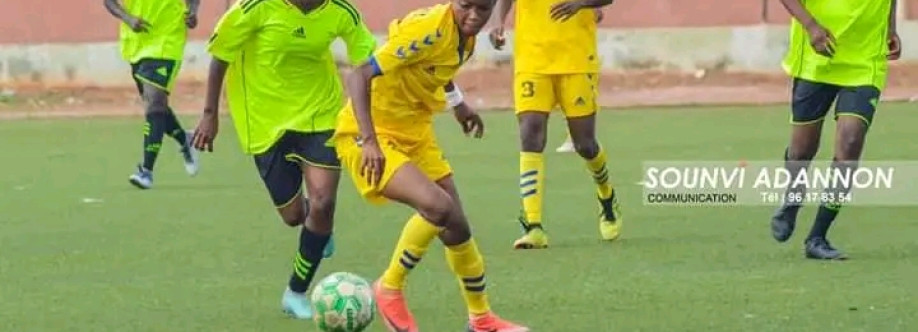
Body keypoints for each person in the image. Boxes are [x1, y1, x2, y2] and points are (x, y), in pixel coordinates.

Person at [332, 1, 529, 331]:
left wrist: (458, 104)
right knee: (438, 207)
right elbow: (359, 75)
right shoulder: (426, 29)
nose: (473, 16)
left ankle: (482, 321)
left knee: (458, 228)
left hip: (415, 130)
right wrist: (369, 141)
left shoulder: (463, 36)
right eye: (466, 6)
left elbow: (436, 68)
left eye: (482, 9)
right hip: (372, 132)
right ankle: (389, 287)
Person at [190, 0, 376, 319]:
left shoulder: (341, 11)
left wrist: (369, 127)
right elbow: (220, 57)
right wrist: (210, 115)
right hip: (264, 120)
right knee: (293, 215)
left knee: (323, 202)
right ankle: (317, 230)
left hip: (321, 114)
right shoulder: (256, 8)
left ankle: (296, 291)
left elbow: (366, 64)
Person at [770, 0, 900, 260]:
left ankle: (817, 236)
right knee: (801, 150)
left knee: (850, 143)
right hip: (818, 55)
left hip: (865, 61)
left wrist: (890, 28)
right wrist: (811, 26)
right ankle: (793, 197)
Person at [489, 0, 620, 249]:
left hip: (576, 58)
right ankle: (533, 225)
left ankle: (606, 195)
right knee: (530, 133)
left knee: (585, 145)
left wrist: (580, 4)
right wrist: (497, 22)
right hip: (532, 58)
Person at [104, 0, 201, 189]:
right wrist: (128, 18)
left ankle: (146, 171)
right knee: (156, 105)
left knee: (155, 103)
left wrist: (192, 11)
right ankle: (185, 140)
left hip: (167, 39)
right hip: (136, 41)